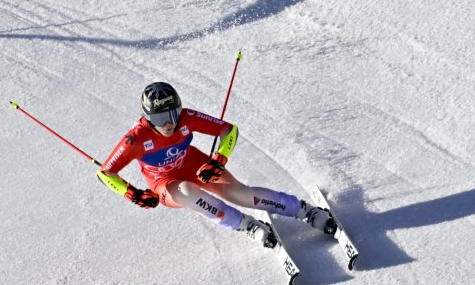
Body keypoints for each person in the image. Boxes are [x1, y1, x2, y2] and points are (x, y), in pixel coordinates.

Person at [96, 82, 335, 247]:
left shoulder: (187, 118)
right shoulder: (135, 139)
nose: (169, 123)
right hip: (165, 184)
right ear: (148, 118)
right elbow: (106, 173)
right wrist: (133, 194)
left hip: (194, 164)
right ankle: (245, 225)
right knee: (189, 192)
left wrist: (217, 161)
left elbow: (229, 130)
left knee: (240, 193)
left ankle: (304, 210)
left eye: (172, 114)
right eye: (160, 118)